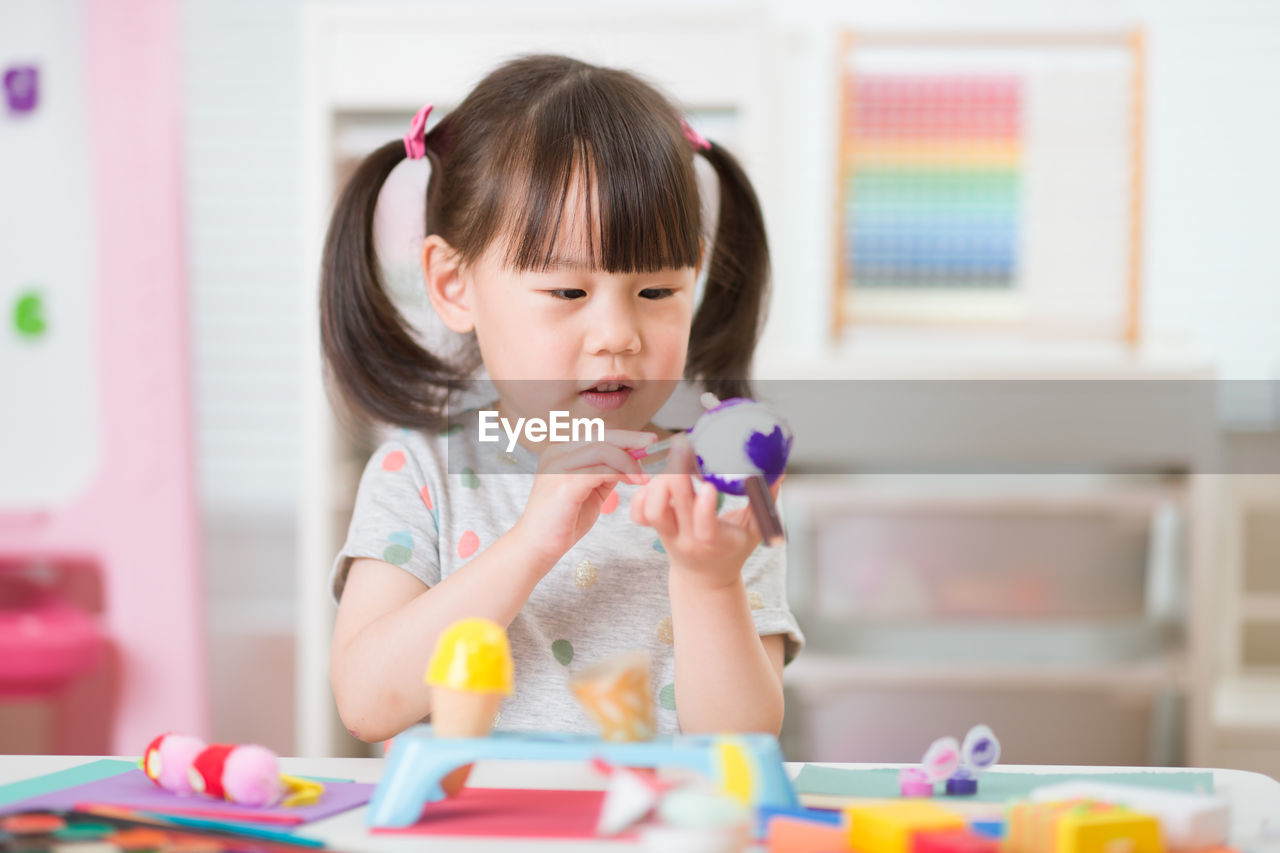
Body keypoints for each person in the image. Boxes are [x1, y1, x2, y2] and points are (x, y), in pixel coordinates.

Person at [320, 54, 803, 744]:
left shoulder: (719, 494)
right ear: (455, 285)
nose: (618, 335)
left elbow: (743, 742)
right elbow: (367, 703)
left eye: (657, 292)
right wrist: (529, 544)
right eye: (569, 292)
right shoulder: (421, 477)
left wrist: (710, 580)